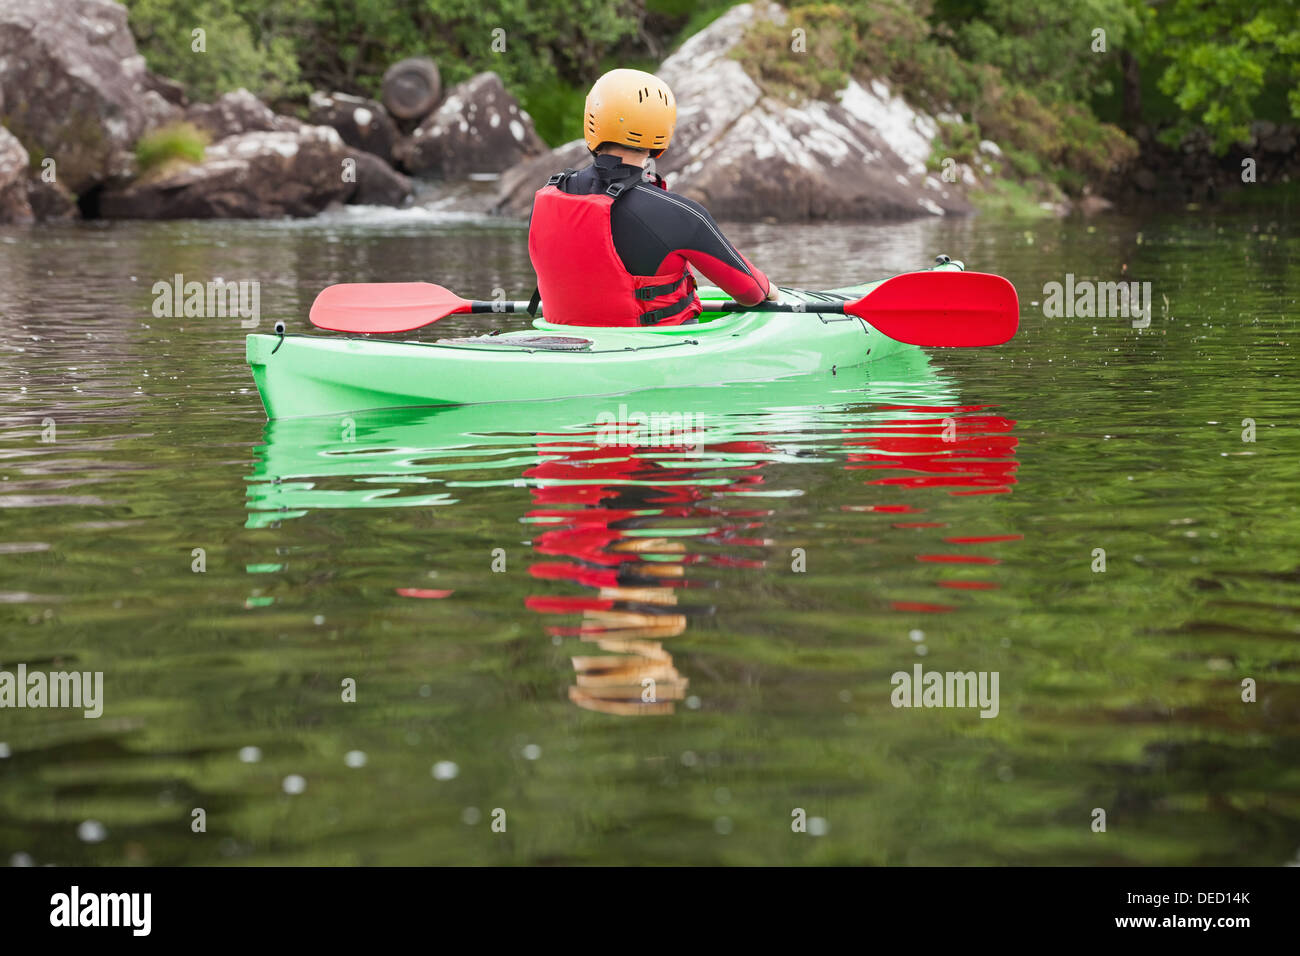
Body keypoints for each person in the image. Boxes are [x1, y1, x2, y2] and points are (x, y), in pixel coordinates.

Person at [527, 68, 776, 327]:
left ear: (593, 120)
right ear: (661, 132)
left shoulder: (548, 195)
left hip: (561, 343)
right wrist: (770, 289)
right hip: (653, 353)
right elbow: (751, 292)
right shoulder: (681, 214)